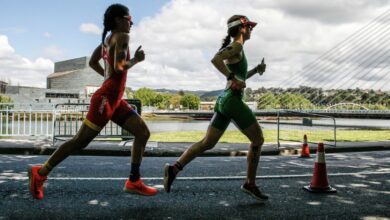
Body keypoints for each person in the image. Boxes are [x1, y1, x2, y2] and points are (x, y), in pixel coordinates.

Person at [28, 4, 158, 200]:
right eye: (129, 19)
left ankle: (134, 180)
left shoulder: (106, 40)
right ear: (118, 20)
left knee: (143, 132)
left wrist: (107, 79)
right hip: (106, 99)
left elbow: (93, 63)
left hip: (114, 99)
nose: (132, 22)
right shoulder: (122, 37)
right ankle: (41, 172)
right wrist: (137, 59)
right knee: (80, 141)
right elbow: (120, 66)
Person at [163, 15, 268, 201]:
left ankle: (174, 169)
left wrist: (255, 71)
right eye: (250, 26)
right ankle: (250, 183)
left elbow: (239, 76)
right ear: (242, 28)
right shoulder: (237, 46)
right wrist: (231, 78)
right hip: (232, 101)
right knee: (258, 139)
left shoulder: (238, 49)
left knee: (207, 143)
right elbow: (216, 60)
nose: (252, 30)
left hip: (223, 101)